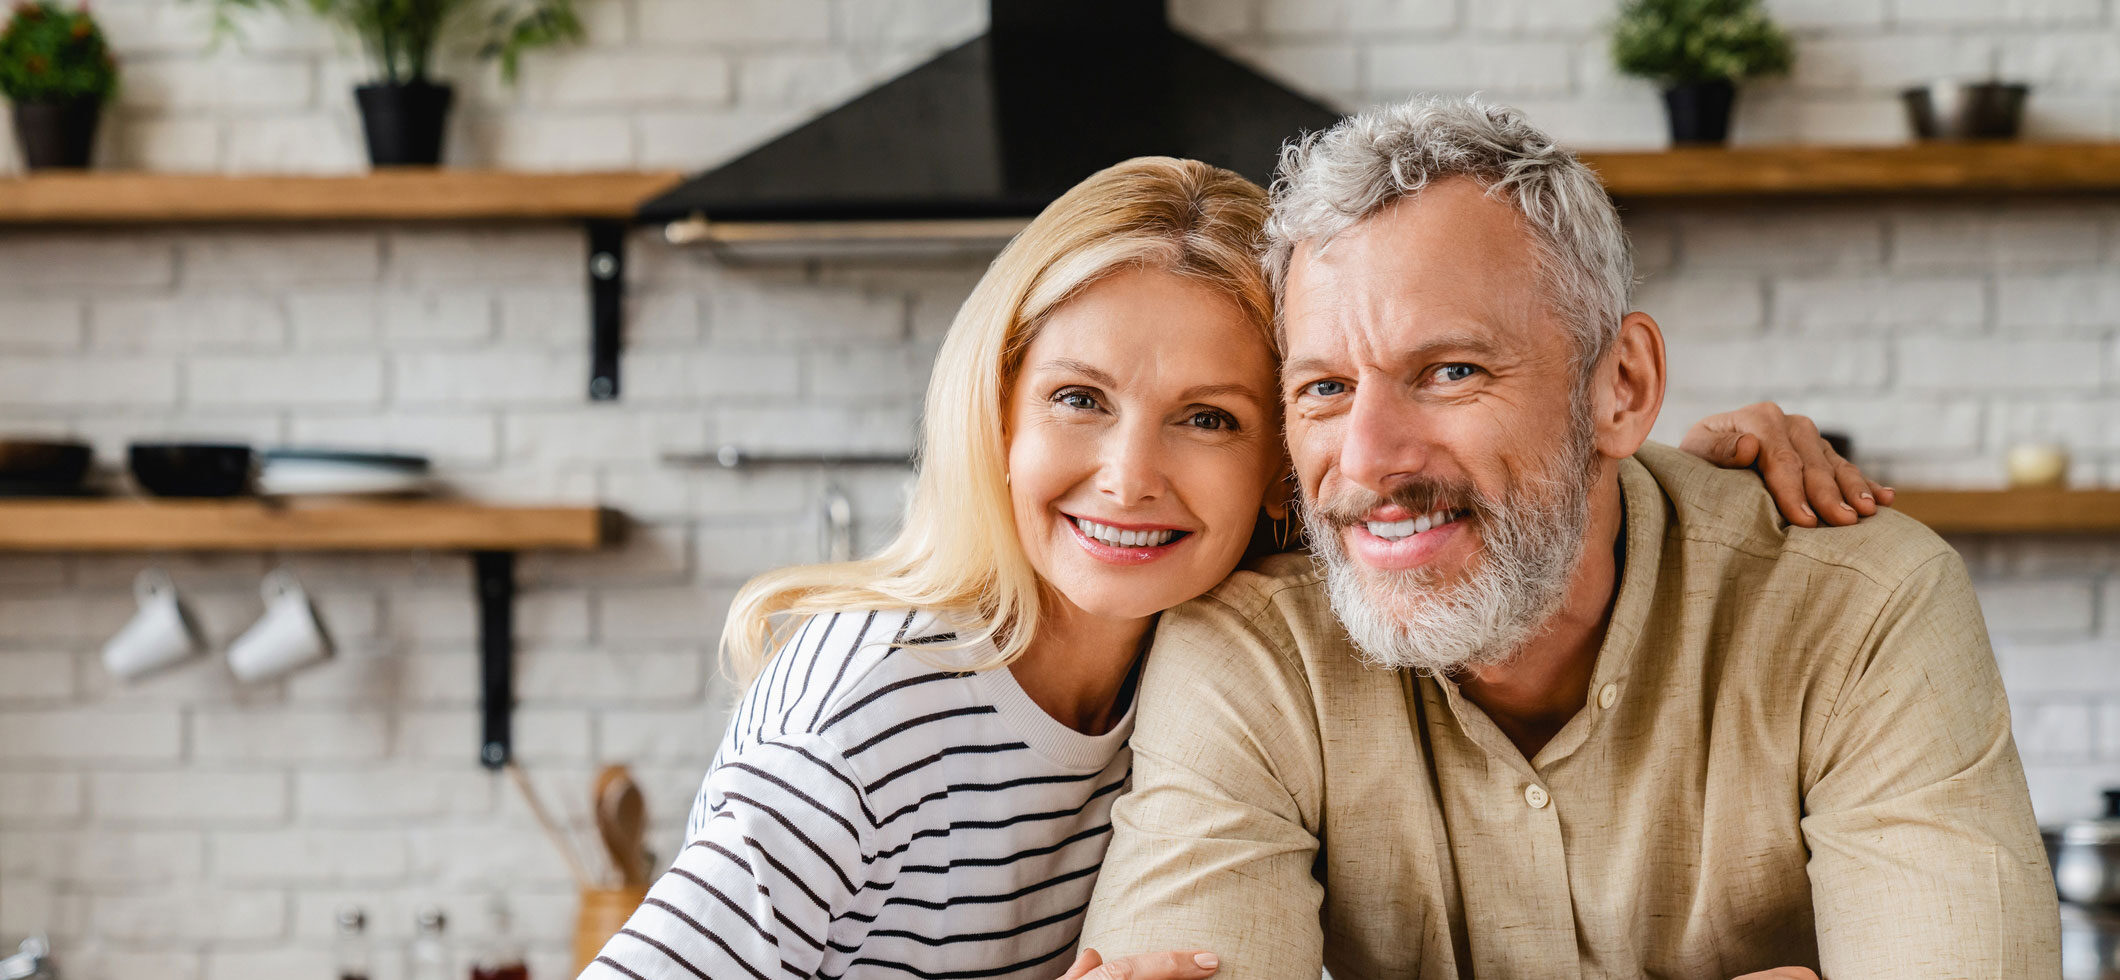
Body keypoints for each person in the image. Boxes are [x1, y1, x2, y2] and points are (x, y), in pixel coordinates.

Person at [578, 155, 1885, 980]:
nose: (1132, 475)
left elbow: (1478, 479)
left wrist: (1693, 468)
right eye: (1081, 399)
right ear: (996, 407)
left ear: (1280, 459)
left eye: (1208, 417)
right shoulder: (879, 703)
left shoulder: (1221, 653)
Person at [1078, 97, 2058, 979]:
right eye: (1324, 387)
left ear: (1619, 387)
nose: (1369, 458)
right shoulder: (1246, 649)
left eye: (1449, 370)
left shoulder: (1860, 608)